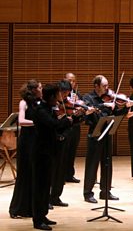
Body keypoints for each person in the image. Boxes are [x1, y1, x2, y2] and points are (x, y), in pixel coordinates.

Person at [82, 75, 132, 203]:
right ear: (96, 86)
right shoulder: (88, 98)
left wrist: (126, 107)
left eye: (107, 85)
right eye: (104, 86)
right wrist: (104, 105)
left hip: (107, 133)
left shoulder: (110, 99)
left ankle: (105, 191)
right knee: (92, 165)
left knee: (107, 163)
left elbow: (116, 114)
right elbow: (88, 115)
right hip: (95, 134)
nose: (107, 88)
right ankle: (88, 193)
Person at [31, 83, 72, 230]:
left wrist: (69, 121)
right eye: (57, 95)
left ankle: (43, 215)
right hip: (41, 153)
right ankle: (37, 220)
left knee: (46, 185)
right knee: (40, 187)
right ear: (51, 96)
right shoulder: (41, 110)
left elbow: (57, 125)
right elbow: (53, 124)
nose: (59, 98)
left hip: (48, 152)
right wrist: (66, 121)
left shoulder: (48, 108)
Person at [9, 80, 42, 219]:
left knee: (33, 175)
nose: (42, 89)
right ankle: (16, 208)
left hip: (35, 140)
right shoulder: (24, 103)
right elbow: (21, 121)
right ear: (34, 90)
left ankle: (29, 208)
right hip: (26, 141)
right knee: (24, 175)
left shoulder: (38, 103)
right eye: (40, 87)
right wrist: (37, 122)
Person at [63, 73, 82, 183]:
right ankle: (61, 175)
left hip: (75, 126)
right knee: (64, 152)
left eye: (74, 81)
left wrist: (78, 107)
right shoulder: (61, 95)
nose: (72, 83)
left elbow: (82, 107)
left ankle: (70, 174)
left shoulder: (77, 94)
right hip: (64, 126)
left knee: (72, 151)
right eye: (70, 80)